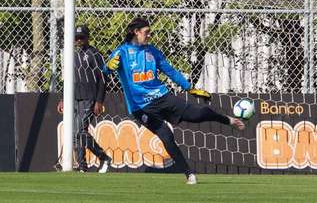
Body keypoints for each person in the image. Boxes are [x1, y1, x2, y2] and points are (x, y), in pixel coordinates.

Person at [102, 17, 245, 184]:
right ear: (136, 32)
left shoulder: (152, 51)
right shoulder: (122, 52)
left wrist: (190, 88)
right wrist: (108, 67)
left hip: (163, 97)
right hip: (141, 107)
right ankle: (189, 174)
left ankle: (227, 120)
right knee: (166, 135)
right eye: (146, 32)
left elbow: (171, 71)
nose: (149, 36)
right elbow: (104, 71)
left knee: (197, 115)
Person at [57, 24, 111, 173]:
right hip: (74, 98)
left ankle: (103, 157)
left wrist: (99, 100)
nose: (78, 40)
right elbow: (68, 79)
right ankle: (82, 166)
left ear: (88, 38)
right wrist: (63, 98)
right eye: (76, 38)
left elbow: (102, 79)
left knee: (80, 130)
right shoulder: (71, 55)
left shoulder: (95, 55)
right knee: (76, 132)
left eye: (82, 37)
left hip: (90, 98)